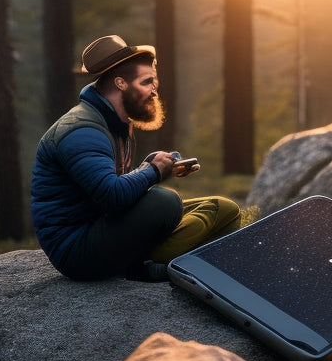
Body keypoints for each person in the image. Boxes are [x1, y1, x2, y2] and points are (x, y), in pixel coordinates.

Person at [31, 35, 241, 282]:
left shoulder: (114, 123)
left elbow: (107, 186)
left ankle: (156, 261)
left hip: (106, 226)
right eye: (147, 82)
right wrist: (153, 171)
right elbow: (111, 196)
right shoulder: (82, 131)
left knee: (224, 209)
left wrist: (150, 165)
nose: (155, 89)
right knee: (165, 203)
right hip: (79, 250)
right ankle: (148, 266)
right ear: (120, 83)